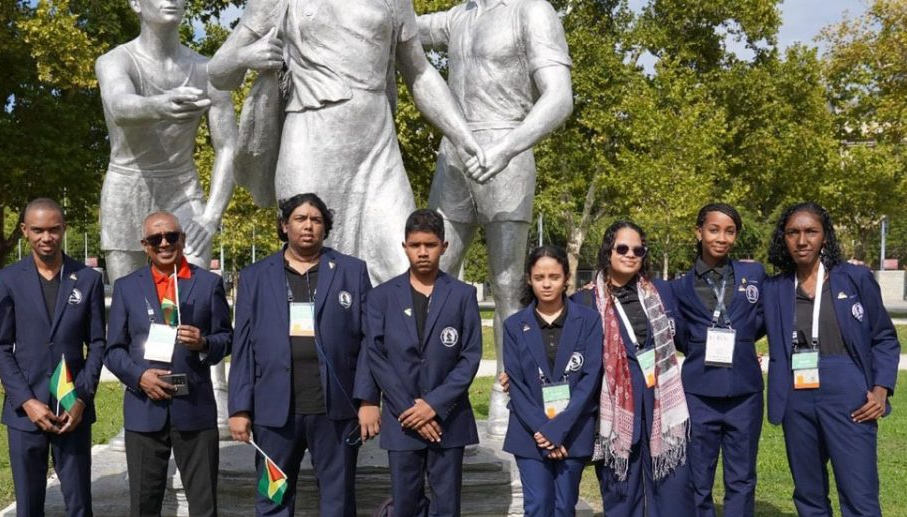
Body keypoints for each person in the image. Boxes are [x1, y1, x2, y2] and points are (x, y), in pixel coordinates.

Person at [206, 0, 486, 283]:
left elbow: (420, 72)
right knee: (316, 270)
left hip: (377, 150)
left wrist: (461, 135)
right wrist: (247, 56)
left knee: (401, 268)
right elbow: (219, 70)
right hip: (310, 141)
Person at [417, 0, 575, 437]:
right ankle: (433, 392)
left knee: (507, 287)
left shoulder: (531, 11)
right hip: (454, 157)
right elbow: (400, 28)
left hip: (507, 149)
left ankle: (508, 396)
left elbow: (560, 97)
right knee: (432, 278)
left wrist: (508, 149)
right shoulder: (458, 16)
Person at [227, 194, 378, 517]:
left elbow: (369, 343)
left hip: (336, 410)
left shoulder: (350, 272)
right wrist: (239, 408)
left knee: (337, 495)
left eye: (315, 219)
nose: (307, 225)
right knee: (273, 494)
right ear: (284, 226)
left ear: (325, 227)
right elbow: (242, 348)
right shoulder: (255, 277)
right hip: (275, 412)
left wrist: (368, 399)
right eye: (299, 218)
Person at [762, 202, 899, 517]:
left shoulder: (853, 279)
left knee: (859, 502)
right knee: (808, 496)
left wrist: (880, 388)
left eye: (812, 231)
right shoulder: (774, 287)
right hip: (797, 396)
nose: (802, 240)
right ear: (782, 239)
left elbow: (883, 336)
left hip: (847, 393)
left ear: (826, 236)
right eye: (793, 233)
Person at [572, 220, 707, 517]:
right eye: (622, 249)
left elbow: (687, 336)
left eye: (638, 250)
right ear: (607, 252)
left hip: (661, 397)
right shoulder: (585, 301)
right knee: (621, 485)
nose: (631, 256)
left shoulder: (659, 292)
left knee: (673, 481)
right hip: (616, 403)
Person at [357, 209, 481, 517]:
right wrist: (411, 409)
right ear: (405, 247)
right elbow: (376, 356)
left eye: (431, 245)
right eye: (415, 245)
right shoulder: (382, 296)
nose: (423, 252)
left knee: (446, 504)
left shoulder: (462, 296)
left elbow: (469, 357)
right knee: (407, 502)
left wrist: (434, 405)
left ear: (444, 246)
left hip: (449, 420)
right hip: (402, 420)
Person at [105, 211, 233, 517]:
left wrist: (205, 344)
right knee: (144, 496)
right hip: (145, 407)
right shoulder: (127, 288)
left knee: (203, 496)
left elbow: (226, 338)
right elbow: (113, 349)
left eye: (171, 237)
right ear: (144, 246)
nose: (164, 244)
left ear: (182, 240)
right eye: (155, 239)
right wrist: (139, 377)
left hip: (193, 406)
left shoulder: (206, 283)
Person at [0, 198, 107, 517]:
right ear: (25, 231)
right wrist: (26, 402)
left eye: (53, 229)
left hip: (72, 409)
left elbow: (98, 345)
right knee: (30, 497)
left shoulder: (87, 279)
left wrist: (83, 396)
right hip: (27, 413)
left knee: (78, 496)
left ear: (64, 229)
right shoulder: (6, 281)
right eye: (38, 230)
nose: (46, 237)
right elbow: (0, 348)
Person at [95, 0, 238, 282]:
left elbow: (229, 146)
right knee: (130, 298)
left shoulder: (207, 70)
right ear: (136, 4)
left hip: (182, 189)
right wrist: (159, 105)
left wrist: (211, 216)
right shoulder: (115, 61)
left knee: (193, 291)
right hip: (127, 186)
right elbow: (119, 105)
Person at [671, 203, 766, 517]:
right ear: (698, 233)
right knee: (699, 484)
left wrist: (741, 344)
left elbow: (762, 321)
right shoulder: (677, 287)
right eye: (714, 230)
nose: (721, 238)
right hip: (699, 394)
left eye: (729, 231)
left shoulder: (753, 277)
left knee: (741, 484)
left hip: (744, 393)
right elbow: (677, 336)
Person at [502, 245, 603, 517]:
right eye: (540, 277)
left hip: (571, 433)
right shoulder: (515, 326)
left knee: (563, 509)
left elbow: (589, 379)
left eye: (554, 277)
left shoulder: (588, 322)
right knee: (538, 509)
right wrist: (544, 432)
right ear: (530, 279)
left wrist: (560, 431)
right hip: (531, 437)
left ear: (566, 279)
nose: (547, 284)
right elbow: (517, 384)